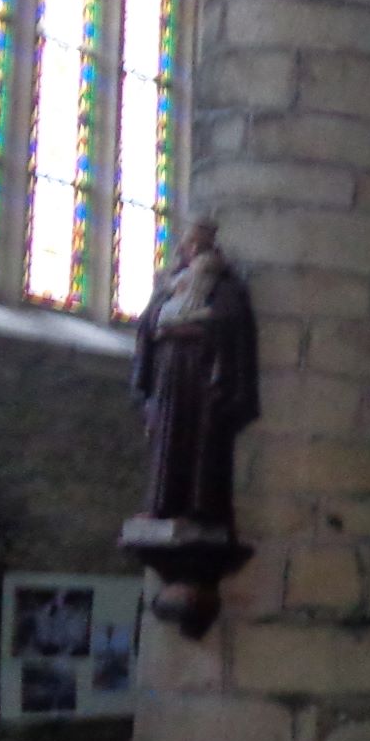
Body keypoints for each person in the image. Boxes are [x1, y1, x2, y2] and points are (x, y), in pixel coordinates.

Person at [130, 220, 259, 537]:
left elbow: (232, 326)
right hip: (167, 372)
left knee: (198, 441)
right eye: (188, 246)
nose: (192, 252)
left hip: (200, 375)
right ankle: (163, 504)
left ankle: (200, 507)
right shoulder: (170, 284)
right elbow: (149, 321)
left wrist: (197, 325)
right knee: (166, 440)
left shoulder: (225, 287)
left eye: (198, 247)